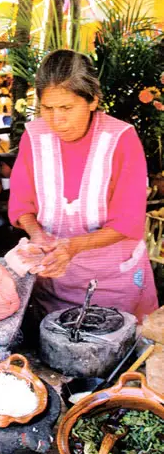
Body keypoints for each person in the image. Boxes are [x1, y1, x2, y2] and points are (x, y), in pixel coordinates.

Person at [9, 49, 158, 321]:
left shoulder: (120, 139)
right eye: (47, 108)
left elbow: (128, 221)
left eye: (67, 108)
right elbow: (22, 204)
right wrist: (37, 235)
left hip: (114, 283)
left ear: (92, 101)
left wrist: (72, 247)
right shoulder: (35, 136)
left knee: (114, 350)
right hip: (52, 283)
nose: (57, 120)